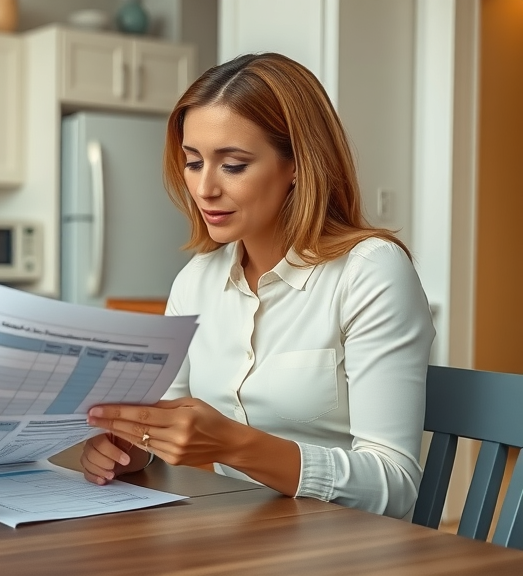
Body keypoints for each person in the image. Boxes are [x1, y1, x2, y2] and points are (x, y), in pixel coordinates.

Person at [80, 52, 435, 519]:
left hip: (353, 549)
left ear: (296, 166)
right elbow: (165, 423)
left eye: (233, 165)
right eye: (192, 162)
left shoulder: (369, 272)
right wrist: (131, 450)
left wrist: (237, 445)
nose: (204, 188)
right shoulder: (196, 281)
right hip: (242, 537)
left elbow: (395, 484)